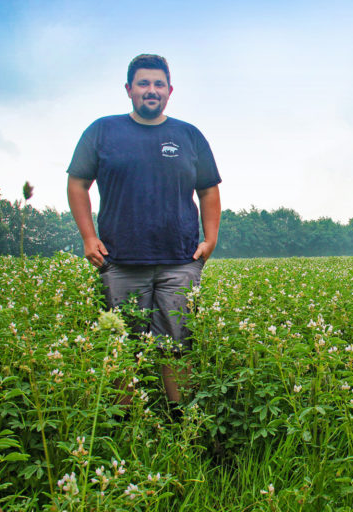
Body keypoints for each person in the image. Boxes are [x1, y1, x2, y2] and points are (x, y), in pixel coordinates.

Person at [67, 54, 221, 415]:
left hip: (180, 261)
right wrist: (89, 238)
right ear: (128, 90)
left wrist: (210, 239)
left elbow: (209, 190)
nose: (151, 91)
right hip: (120, 260)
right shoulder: (102, 131)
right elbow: (77, 183)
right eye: (143, 84)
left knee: (178, 345)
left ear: (169, 91)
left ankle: (177, 419)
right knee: (122, 345)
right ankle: (125, 420)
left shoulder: (189, 135)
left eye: (158, 84)